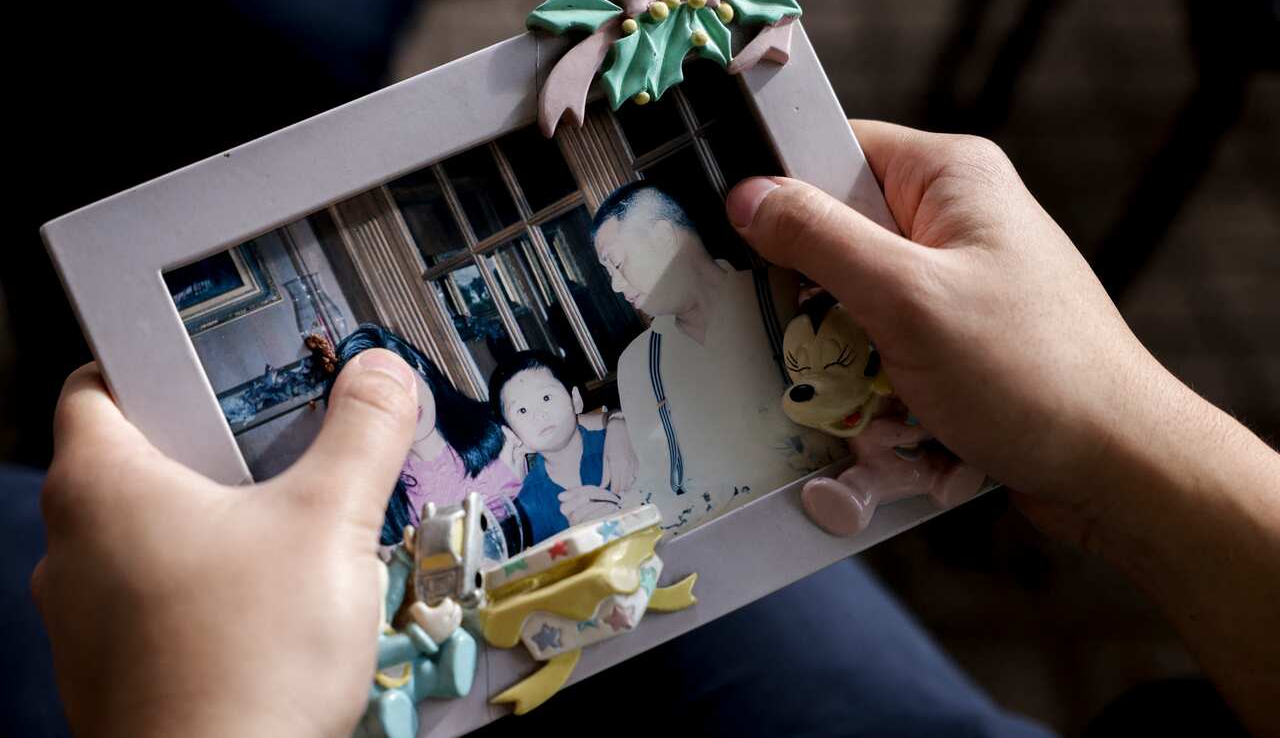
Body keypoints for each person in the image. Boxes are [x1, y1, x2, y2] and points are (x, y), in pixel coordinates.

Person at [30, 121, 1278, 735]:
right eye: (614, 265)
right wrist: (1126, 444)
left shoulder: (778, 315)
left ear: (683, 237)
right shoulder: (637, 354)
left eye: (629, 250)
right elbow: (642, 470)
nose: (620, 280)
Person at [591, 181, 840, 535]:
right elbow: (658, 481)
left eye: (617, 264)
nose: (616, 286)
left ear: (663, 237)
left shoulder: (786, 292)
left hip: (827, 516)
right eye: (608, 272)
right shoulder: (637, 365)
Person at [330, 324, 522, 545]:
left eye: (404, 382)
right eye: (383, 398)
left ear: (420, 369)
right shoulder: (385, 504)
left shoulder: (500, 428)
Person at [489, 351, 633, 544]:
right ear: (511, 433)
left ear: (575, 400)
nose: (539, 415)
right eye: (522, 410)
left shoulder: (621, 444)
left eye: (546, 398)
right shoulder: (529, 500)